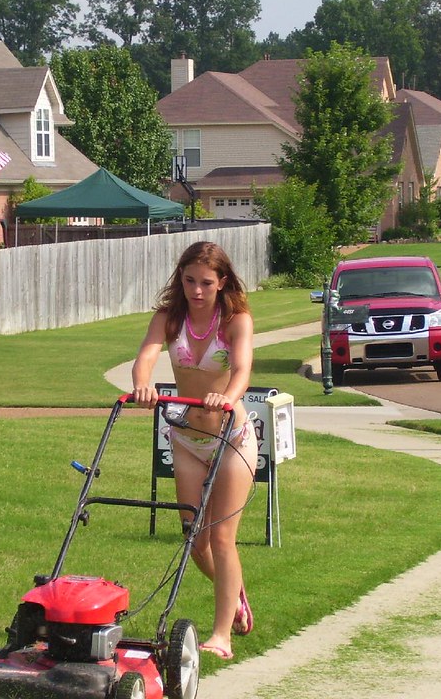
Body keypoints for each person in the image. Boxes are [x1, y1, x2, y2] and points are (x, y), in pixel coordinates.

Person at [131, 241, 255, 660]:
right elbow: (146, 356)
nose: (196, 291)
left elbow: (241, 369)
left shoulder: (236, 321)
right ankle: (235, 594)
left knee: (222, 538)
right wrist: (143, 384)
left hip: (230, 439)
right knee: (194, 539)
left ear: (222, 282)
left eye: (206, 283)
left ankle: (222, 634)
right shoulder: (169, 318)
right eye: (189, 281)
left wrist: (229, 396)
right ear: (180, 278)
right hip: (185, 438)